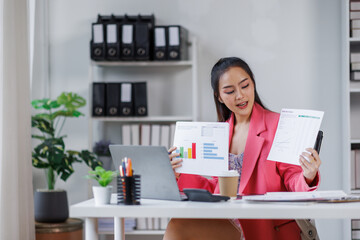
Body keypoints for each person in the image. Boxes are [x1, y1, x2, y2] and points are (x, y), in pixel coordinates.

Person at [163, 57, 321, 240]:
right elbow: (217, 188)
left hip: (265, 226)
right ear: (219, 96)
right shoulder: (220, 132)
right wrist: (179, 174)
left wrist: (307, 176)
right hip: (227, 222)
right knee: (178, 224)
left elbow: (292, 179)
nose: (240, 95)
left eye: (245, 86)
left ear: (253, 84)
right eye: (230, 91)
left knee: (178, 226)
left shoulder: (279, 125)